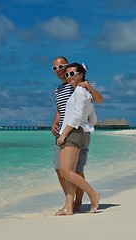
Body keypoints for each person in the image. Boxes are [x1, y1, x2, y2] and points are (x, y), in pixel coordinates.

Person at [50, 56, 103, 212]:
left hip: (75, 131)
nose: (59, 71)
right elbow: (61, 110)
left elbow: (97, 101)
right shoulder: (58, 90)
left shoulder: (80, 85)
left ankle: (78, 201)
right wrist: (55, 123)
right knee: (60, 169)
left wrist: (90, 88)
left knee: (75, 170)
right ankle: (69, 203)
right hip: (63, 130)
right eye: (55, 68)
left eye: (62, 67)